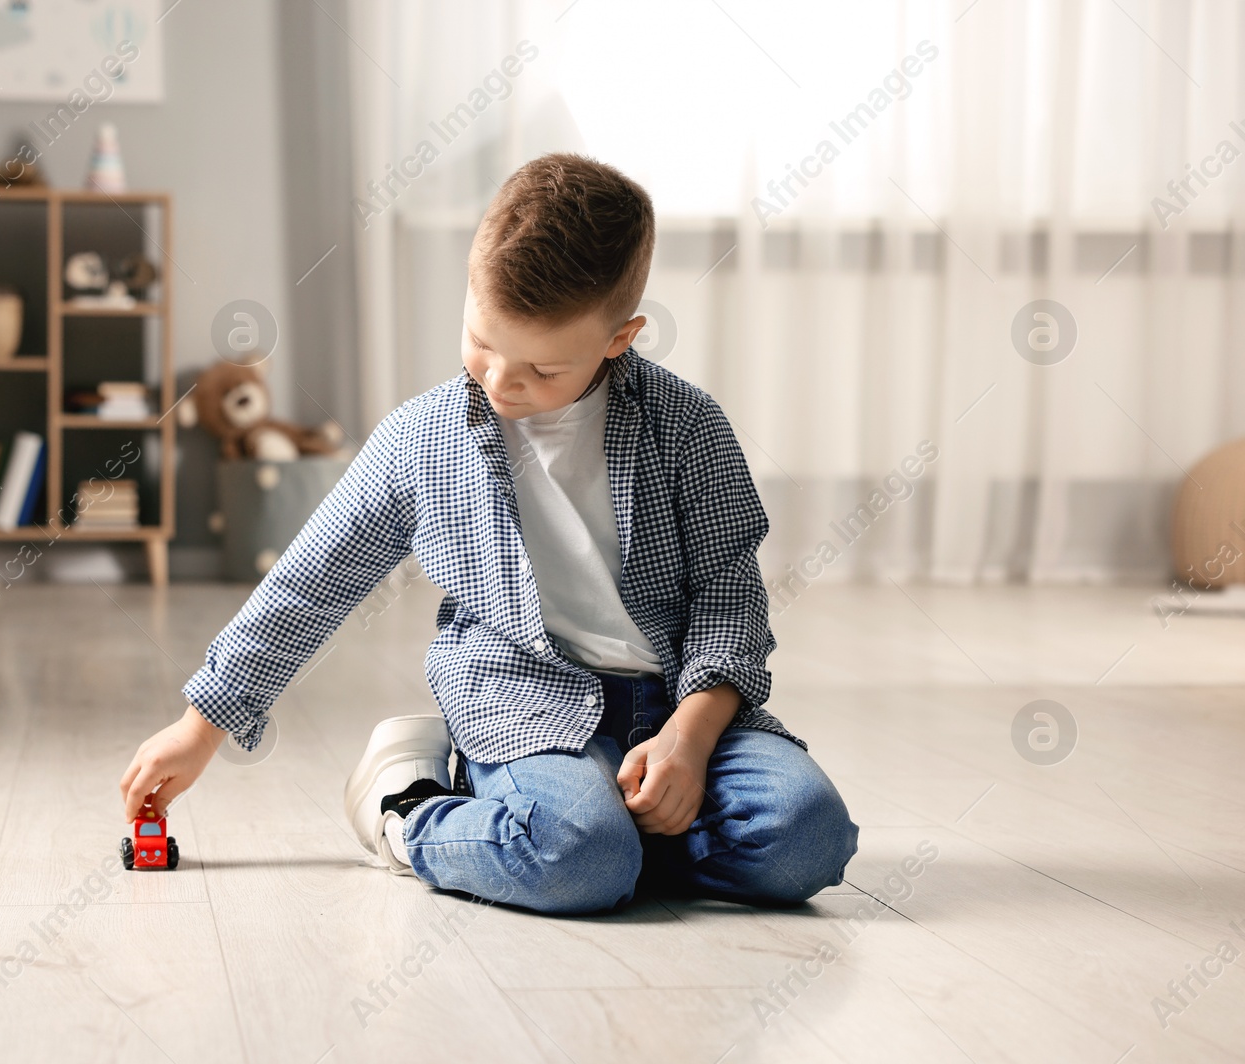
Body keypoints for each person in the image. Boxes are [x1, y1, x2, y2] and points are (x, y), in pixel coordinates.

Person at [121, 153, 858, 914]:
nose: (502, 382)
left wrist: (692, 739)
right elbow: (311, 582)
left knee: (806, 836)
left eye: (541, 367)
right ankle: (409, 808)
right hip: (522, 702)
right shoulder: (422, 439)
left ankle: (611, 842)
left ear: (621, 337)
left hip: (676, 701)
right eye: (481, 340)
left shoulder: (689, 426)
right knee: (578, 854)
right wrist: (200, 726)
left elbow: (730, 598)